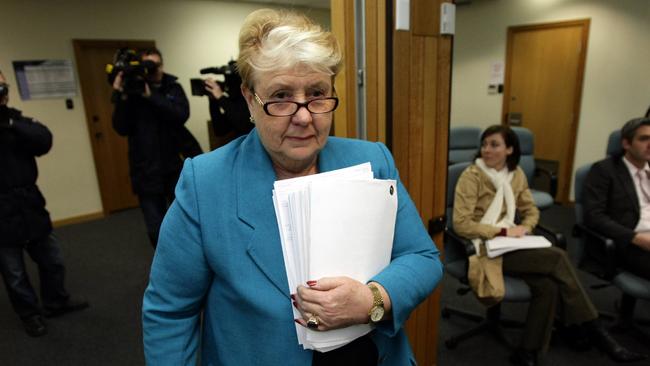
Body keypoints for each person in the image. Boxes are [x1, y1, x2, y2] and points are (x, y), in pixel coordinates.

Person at [142, 9, 443, 365]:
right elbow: (171, 313)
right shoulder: (205, 182)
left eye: (317, 93)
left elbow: (421, 258)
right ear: (250, 99)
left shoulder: (372, 161)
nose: (303, 116)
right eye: (281, 95)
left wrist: (374, 299)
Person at [452, 125, 645, 366]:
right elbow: (461, 224)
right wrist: (503, 231)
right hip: (485, 246)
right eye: (484, 144)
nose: (486, 150)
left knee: (548, 286)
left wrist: (526, 228)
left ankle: (527, 351)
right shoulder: (472, 176)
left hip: (513, 243)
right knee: (557, 257)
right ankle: (596, 330)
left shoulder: (516, 174)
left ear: (510, 149)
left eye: (494, 144)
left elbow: (530, 210)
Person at [0, 70, 88, 337]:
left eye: (1, 87)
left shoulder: (17, 120)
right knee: (14, 272)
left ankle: (55, 302)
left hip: (29, 203)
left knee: (53, 260)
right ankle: (30, 314)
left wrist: (9, 123)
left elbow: (44, 140)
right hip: (0, 210)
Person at [112, 47, 197, 248]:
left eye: (155, 65)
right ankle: (166, 267)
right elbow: (120, 128)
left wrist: (152, 97)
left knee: (186, 220)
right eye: (147, 66)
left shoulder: (171, 87)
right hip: (145, 171)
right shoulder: (132, 93)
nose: (152, 70)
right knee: (155, 227)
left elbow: (181, 115)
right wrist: (120, 95)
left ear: (162, 65)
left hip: (173, 167)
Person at [584, 117, 650, 281]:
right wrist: (636, 238)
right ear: (626, 144)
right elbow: (594, 217)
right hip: (628, 243)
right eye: (644, 139)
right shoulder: (604, 170)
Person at [203, 61, 254, 143]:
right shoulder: (231, 102)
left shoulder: (251, 97)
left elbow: (244, 125)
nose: (227, 87)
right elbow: (220, 130)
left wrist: (221, 97)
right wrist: (213, 101)